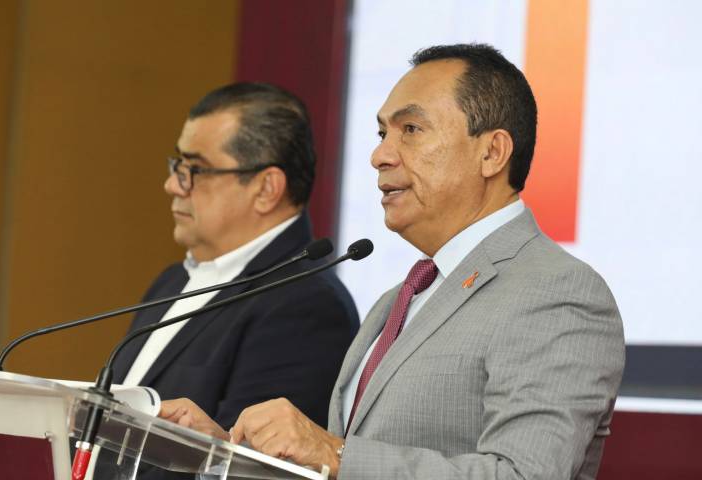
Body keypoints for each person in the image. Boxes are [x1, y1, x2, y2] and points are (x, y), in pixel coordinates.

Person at [161, 44, 625, 480]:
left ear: (492, 152)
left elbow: (522, 474)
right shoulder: (399, 299)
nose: (379, 155)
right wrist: (225, 453)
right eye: (383, 133)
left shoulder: (557, 292)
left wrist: (334, 453)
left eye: (411, 130)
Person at [113, 82, 359, 448]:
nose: (172, 185)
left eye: (196, 169)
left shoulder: (306, 307)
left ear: (266, 189)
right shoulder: (171, 281)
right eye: (178, 164)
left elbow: (251, 462)